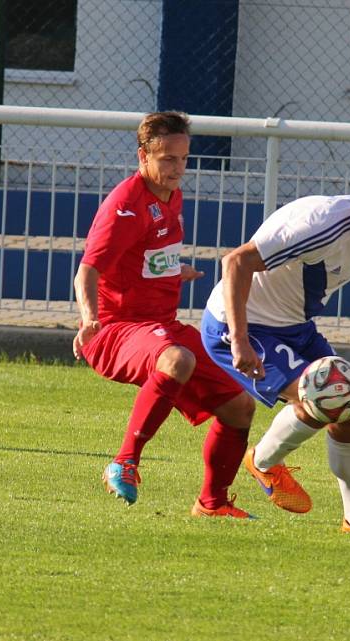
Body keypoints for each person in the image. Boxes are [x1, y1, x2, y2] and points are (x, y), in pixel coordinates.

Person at [200, 166, 350, 535]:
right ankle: (263, 463)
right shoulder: (319, 225)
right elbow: (236, 262)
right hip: (243, 325)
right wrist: (239, 338)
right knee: (328, 399)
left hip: (295, 327)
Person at [73, 111, 256, 518]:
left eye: (184, 158)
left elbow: (147, 258)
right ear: (144, 156)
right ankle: (124, 461)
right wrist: (89, 320)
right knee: (177, 359)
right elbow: (88, 269)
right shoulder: (126, 204)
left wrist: (177, 270)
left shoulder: (171, 195)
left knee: (240, 406)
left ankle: (213, 503)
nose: (178, 169)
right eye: (168, 159)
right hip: (116, 329)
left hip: (161, 324)